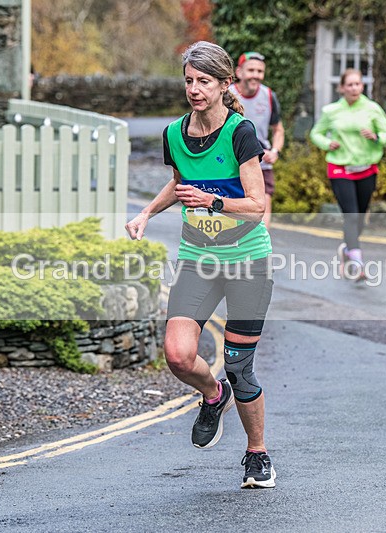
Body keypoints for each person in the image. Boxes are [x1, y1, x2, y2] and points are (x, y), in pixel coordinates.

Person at [125, 41, 276, 488]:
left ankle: (257, 453)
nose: (194, 89)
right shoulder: (174, 134)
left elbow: (256, 206)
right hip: (198, 259)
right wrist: (147, 213)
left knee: (238, 364)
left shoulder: (240, 133)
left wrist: (212, 200)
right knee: (177, 354)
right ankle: (213, 396)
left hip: (247, 259)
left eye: (203, 81)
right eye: (189, 80)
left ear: (224, 84)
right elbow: (179, 184)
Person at [310, 68, 386, 281]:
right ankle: (357, 264)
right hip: (340, 167)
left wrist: (376, 137)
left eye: (357, 84)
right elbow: (315, 133)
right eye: (349, 84)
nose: (354, 88)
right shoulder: (332, 111)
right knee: (351, 215)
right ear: (341, 88)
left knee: (360, 219)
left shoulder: (372, 109)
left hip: (366, 168)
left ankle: (348, 249)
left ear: (362, 86)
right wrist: (327, 143)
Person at [229, 51, 285, 228]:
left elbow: (278, 130)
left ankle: (261, 251)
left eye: (260, 71)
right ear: (239, 72)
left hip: (262, 163)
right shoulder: (227, 95)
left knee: (262, 210)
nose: (256, 75)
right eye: (251, 70)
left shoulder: (268, 96)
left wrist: (275, 151)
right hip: (232, 163)